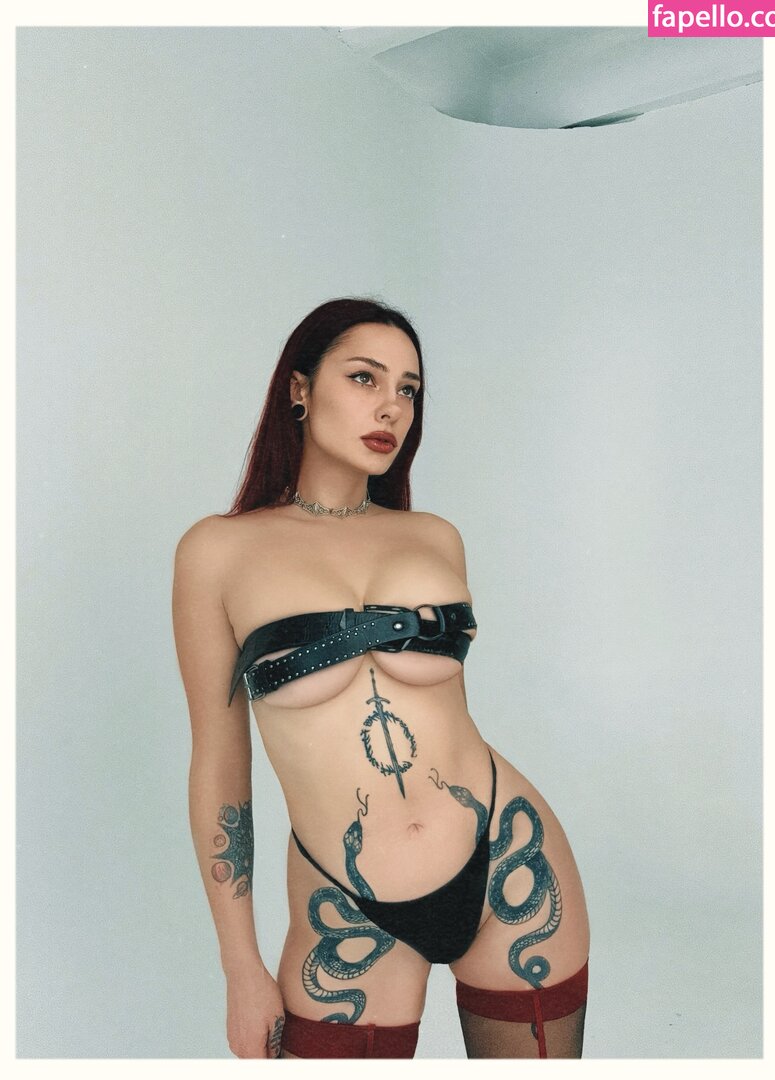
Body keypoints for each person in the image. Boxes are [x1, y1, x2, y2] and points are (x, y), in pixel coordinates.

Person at [171, 297, 590, 1059]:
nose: (391, 406)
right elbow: (219, 762)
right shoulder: (217, 551)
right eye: (365, 378)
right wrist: (240, 965)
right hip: (344, 901)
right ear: (300, 388)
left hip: (510, 859)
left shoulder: (433, 537)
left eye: (408, 389)